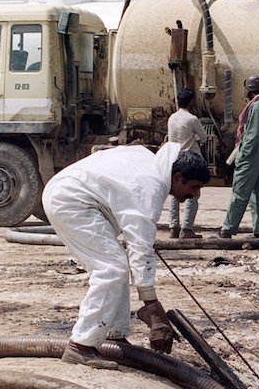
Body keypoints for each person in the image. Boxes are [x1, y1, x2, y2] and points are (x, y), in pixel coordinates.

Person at [42, 143, 210, 369]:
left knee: (116, 263)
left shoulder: (152, 165)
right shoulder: (149, 188)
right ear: (178, 177)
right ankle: (80, 346)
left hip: (75, 196)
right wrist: (151, 305)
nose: (194, 194)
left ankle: (114, 335)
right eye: (194, 187)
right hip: (72, 201)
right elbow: (141, 249)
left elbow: (137, 238)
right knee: (111, 269)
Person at [220, 76, 259, 239]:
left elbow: (253, 134)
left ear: (248, 89)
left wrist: (243, 153)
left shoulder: (256, 107)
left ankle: (228, 228)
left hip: (249, 156)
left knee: (240, 192)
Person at [166, 88, 206, 239]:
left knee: (175, 193)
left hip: (175, 158)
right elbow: (203, 137)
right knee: (193, 193)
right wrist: (193, 138)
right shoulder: (192, 119)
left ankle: (173, 227)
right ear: (191, 102)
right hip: (191, 159)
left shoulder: (172, 118)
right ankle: (187, 228)